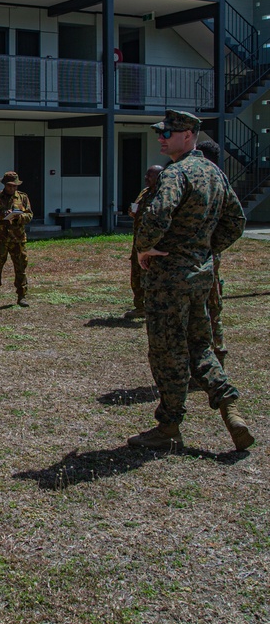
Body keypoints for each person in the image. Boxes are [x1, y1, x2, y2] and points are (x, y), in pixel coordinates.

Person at [128, 109, 251, 451]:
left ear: (189, 135)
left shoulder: (175, 174)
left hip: (169, 278)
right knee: (199, 345)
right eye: (161, 132)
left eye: (170, 132)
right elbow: (236, 221)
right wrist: (205, 250)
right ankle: (230, 408)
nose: (162, 137)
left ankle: (168, 427)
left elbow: (155, 215)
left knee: (167, 352)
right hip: (199, 275)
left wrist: (145, 248)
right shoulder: (213, 173)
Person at [196, 139, 228, 368]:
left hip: (200, 254)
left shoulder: (204, 180)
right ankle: (217, 352)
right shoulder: (221, 181)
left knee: (204, 306)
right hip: (210, 251)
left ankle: (211, 359)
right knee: (212, 303)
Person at [0, 171, 34, 308]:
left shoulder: (23, 198)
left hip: (17, 239)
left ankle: (22, 296)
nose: (12, 188)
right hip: (0, 240)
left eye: (15, 186)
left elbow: (29, 215)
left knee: (20, 268)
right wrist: (1, 215)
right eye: (10, 186)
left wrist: (20, 217)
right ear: (5, 185)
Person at [124, 165, 164, 319]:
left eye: (150, 175)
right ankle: (140, 307)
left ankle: (155, 307)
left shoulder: (162, 195)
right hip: (138, 242)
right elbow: (135, 208)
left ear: (159, 177)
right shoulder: (145, 192)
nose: (146, 177)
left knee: (151, 276)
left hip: (153, 244)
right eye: (146, 174)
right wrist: (132, 211)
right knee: (136, 276)